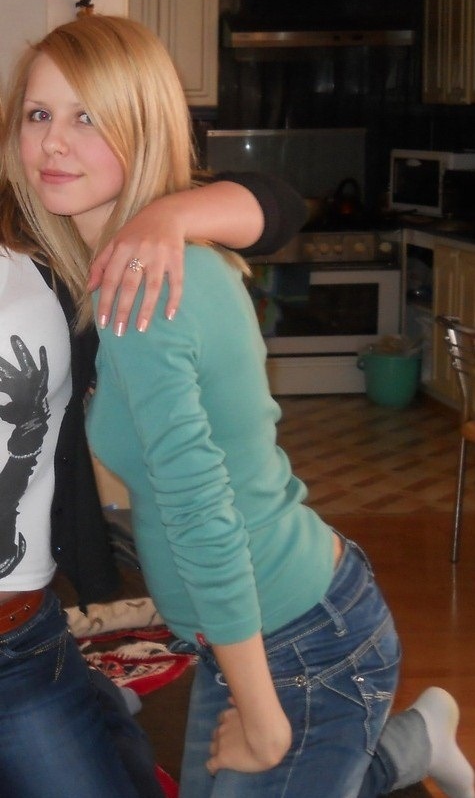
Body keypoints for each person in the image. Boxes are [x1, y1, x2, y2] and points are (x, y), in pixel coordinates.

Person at [4, 13, 474, 798]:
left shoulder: (142, 292)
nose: (54, 142)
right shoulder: (113, 266)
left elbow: (199, 507)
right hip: (258, 625)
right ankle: (412, 742)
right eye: (38, 114)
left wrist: (261, 715)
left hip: (291, 637)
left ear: (142, 126)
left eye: (88, 117)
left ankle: (402, 741)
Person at [0, 94, 305, 797]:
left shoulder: (40, 231)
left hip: (18, 644)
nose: (55, 137)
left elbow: (278, 205)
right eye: (41, 115)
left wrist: (168, 215)